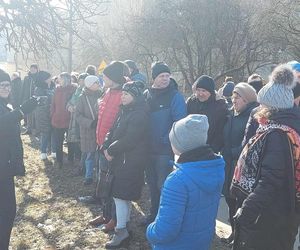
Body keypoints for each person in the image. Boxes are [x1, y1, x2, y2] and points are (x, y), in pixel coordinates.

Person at [231, 64, 300, 250]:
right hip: (276, 214)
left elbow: (271, 180)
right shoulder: (279, 128)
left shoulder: (276, 134)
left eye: (263, 104)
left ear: (272, 107)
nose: (259, 107)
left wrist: (247, 211)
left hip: (268, 216)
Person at [146, 114, 225, 250]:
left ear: (181, 144)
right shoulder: (216, 168)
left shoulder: (177, 179)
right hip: (200, 242)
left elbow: (165, 230)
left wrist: (150, 231)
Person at [103, 81, 149, 248]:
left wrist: (111, 150)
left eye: (126, 94)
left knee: (120, 195)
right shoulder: (125, 110)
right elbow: (112, 129)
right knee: (122, 195)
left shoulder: (140, 114)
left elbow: (130, 139)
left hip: (130, 161)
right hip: (121, 159)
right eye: (122, 93)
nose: (122, 96)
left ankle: (121, 230)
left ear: (135, 97)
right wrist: (106, 144)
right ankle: (124, 226)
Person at [142, 61, 187, 225]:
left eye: (167, 76)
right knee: (151, 185)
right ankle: (153, 214)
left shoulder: (175, 96)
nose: (165, 79)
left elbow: (179, 123)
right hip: (147, 149)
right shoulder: (147, 94)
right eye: (161, 76)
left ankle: (163, 219)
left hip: (164, 150)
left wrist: (165, 139)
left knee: (163, 186)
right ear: (154, 77)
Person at [0, 69, 38, 250]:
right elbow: (2, 124)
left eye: (7, 84)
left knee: (7, 211)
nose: (6, 87)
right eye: (1, 85)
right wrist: (22, 111)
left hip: (5, 166)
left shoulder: (5, 104)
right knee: (6, 211)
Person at [89, 61, 129, 231]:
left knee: (111, 183)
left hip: (112, 148)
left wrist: (110, 146)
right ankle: (105, 214)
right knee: (102, 182)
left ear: (113, 78)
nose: (102, 79)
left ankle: (113, 218)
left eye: (105, 77)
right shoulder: (107, 92)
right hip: (100, 144)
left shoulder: (123, 94)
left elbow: (120, 124)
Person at [221, 82, 258, 245]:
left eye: (238, 98)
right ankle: (233, 232)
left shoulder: (253, 116)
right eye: (233, 97)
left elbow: (251, 141)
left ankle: (240, 237)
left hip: (242, 166)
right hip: (228, 164)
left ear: (248, 99)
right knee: (230, 200)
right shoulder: (231, 114)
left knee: (240, 203)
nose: (234, 101)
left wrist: (234, 152)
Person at [187, 75, 228, 153]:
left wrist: (212, 150)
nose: (200, 94)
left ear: (211, 92)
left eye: (204, 91)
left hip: (210, 149)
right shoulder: (191, 102)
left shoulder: (220, 107)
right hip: (191, 147)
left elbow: (220, 132)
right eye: (198, 90)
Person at [75, 75, 101, 185]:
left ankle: (99, 175)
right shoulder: (82, 97)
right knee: (90, 154)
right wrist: (90, 123)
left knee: (99, 154)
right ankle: (88, 176)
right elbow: (78, 115)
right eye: (96, 83)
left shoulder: (102, 94)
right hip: (88, 130)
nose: (98, 84)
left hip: (100, 129)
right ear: (90, 84)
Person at [51, 72, 77, 168]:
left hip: (69, 120)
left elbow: (74, 103)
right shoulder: (57, 89)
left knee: (70, 141)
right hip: (57, 119)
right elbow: (53, 104)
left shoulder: (73, 89)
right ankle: (59, 161)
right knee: (58, 141)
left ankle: (70, 159)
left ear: (66, 79)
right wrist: (52, 115)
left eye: (60, 79)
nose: (58, 80)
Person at [67, 73, 88, 169]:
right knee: (73, 140)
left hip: (81, 120)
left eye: (83, 80)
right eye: (80, 80)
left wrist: (77, 108)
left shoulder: (88, 92)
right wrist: (69, 106)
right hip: (73, 119)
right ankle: (75, 160)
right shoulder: (77, 91)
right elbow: (70, 102)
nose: (81, 82)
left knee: (81, 141)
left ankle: (81, 163)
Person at [34, 71, 56, 160]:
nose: (50, 79)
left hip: (53, 113)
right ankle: (43, 151)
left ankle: (54, 151)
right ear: (43, 79)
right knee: (45, 133)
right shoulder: (38, 89)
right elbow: (41, 103)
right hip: (43, 114)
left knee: (54, 132)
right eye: (48, 78)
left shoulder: (53, 87)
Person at [21, 63, 39, 134]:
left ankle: (37, 130)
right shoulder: (27, 77)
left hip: (36, 98)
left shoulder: (39, 77)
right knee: (29, 114)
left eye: (34, 69)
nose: (32, 70)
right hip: (28, 98)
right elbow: (23, 88)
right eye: (31, 69)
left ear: (37, 69)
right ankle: (29, 129)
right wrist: (22, 99)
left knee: (36, 115)